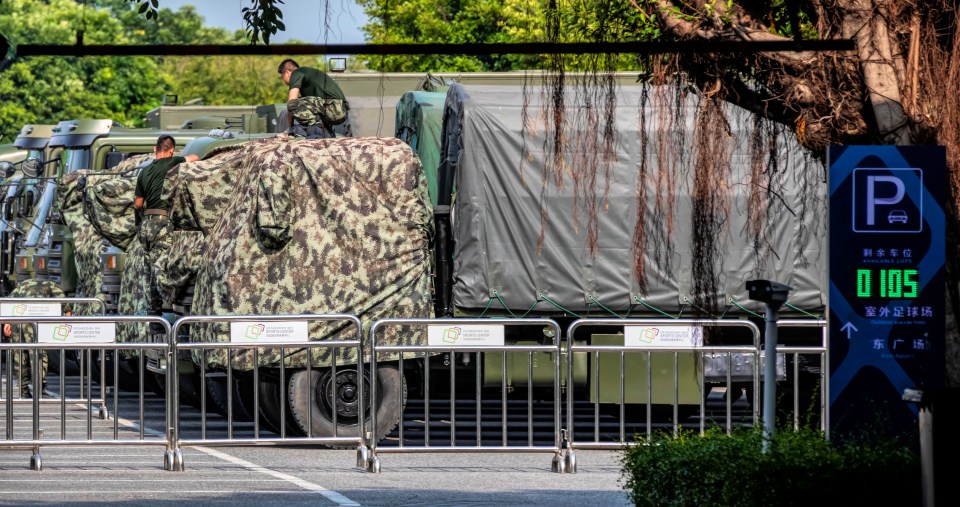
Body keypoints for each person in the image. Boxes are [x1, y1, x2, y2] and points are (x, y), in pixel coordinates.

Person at [134, 135, 199, 316]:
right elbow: (195, 159)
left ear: (155, 149)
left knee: (150, 270)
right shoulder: (173, 162)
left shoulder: (144, 172)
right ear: (171, 151)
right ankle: (175, 304)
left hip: (146, 225)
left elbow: (138, 204)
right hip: (162, 223)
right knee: (162, 269)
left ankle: (154, 316)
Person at [2, 279, 67, 398]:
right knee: (37, 353)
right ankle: (39, 390)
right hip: (34, 321)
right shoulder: (51, 284)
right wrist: (68, 313)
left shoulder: (22, 284)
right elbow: (64, 300)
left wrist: (7, 322)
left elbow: (9, 301)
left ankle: (23, 391)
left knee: (19, 355)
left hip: (17, 319)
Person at [277, 58, 349, 137]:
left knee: (293, 104)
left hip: (334, 107)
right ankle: (327, 133)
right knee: (304, 105)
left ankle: (316, 129)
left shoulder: (296, 73)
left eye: (282, 76)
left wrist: (290, 128)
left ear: (287, 72)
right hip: (341, 112)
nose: (283, 80)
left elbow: (291, 102)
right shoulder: (309, 76)